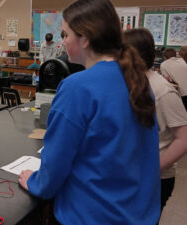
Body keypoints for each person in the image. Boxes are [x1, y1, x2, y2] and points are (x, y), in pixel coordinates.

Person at [18, 0, 160, 224]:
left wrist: (35, 182)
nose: (63, 42)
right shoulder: (137, 80)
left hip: (92, 215)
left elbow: (56, 162)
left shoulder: (77, 86)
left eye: (65, 35)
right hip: (137, 213)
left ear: (84, 38)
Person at [123, 28, 187, 220]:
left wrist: (153, 167)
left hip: (155, 179)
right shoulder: (132, 83)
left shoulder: (162, 90)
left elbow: (183, 138)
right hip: (133, 175)